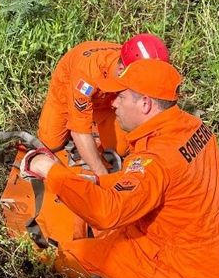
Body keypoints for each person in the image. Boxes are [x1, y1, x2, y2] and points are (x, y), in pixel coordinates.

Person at [24, 59, 219, 278]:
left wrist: (49, 170)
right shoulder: (195, 127)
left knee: (69, 256)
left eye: (122, 97)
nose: (114, 103)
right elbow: (166, 184)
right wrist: (97, 181)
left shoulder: (155, 160)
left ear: (146, 104)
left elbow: (106, 212)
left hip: (190, 277)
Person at [37, 34, 169, 176]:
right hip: (67, 94)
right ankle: (85, 126)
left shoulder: (140, 67)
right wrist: (103, 177)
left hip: (107, 104)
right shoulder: (87, 74)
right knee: (51, 143)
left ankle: (95, 128)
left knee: (121, 149)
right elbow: (79, 130)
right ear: (121, 70)